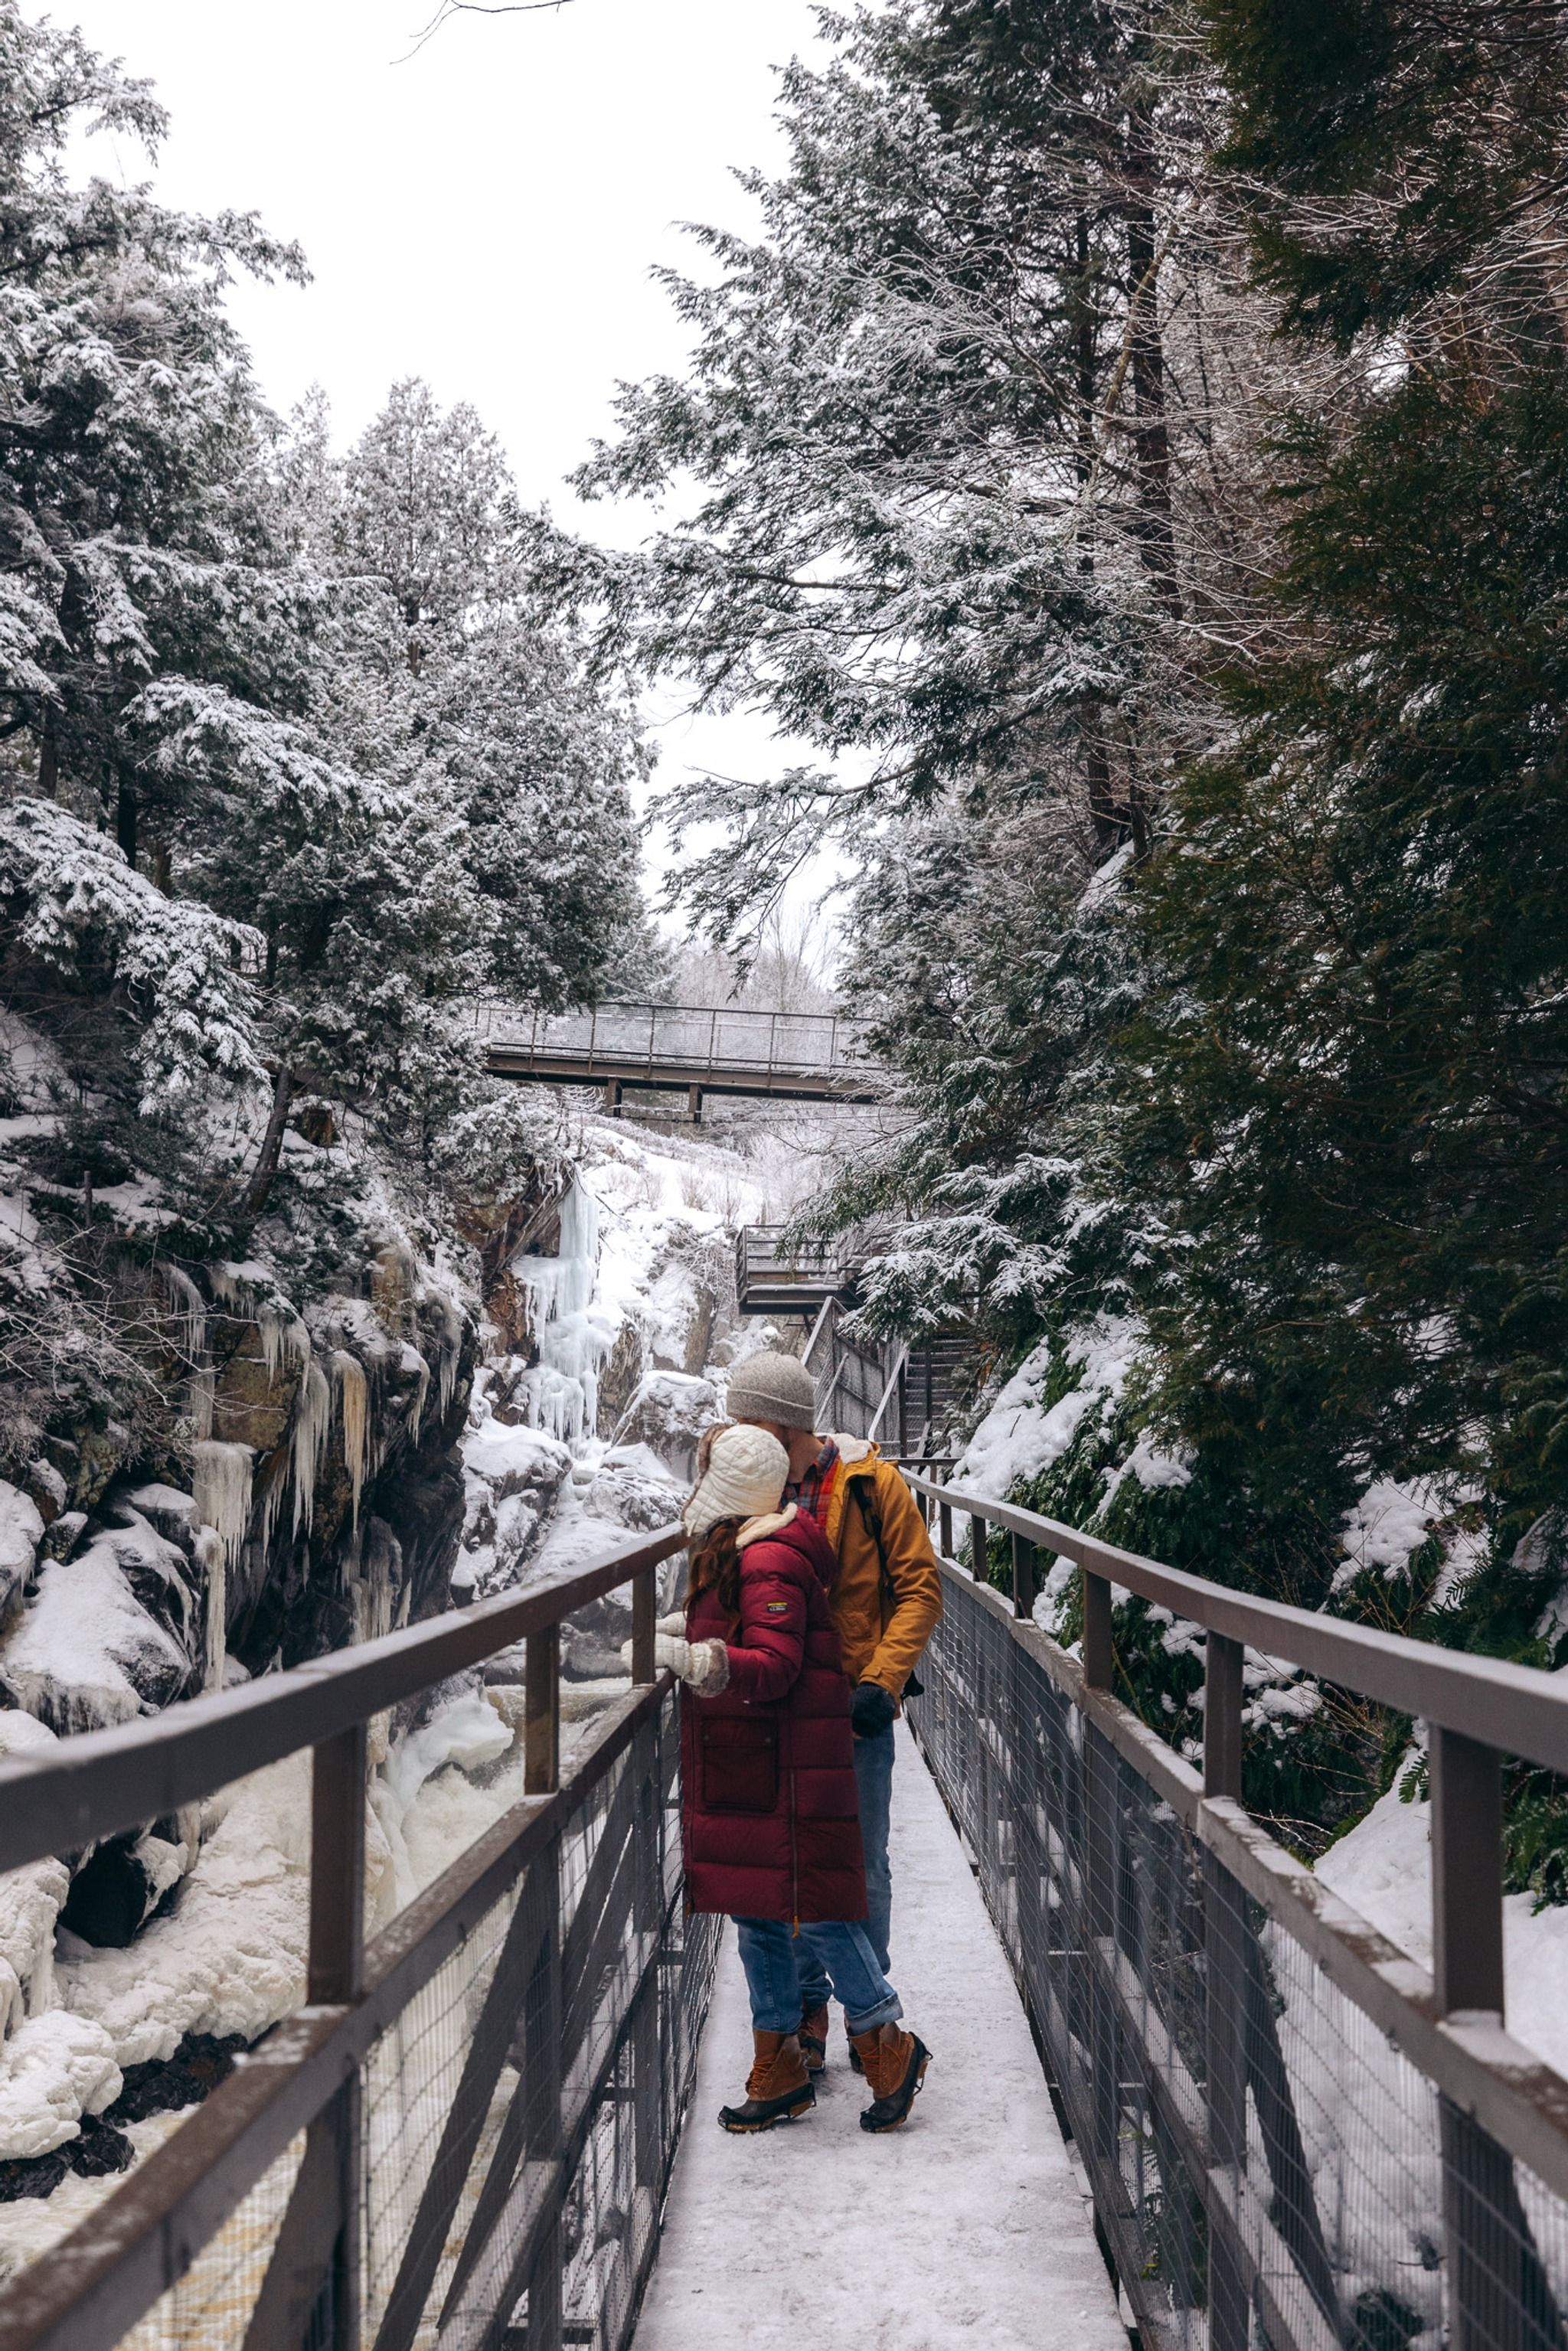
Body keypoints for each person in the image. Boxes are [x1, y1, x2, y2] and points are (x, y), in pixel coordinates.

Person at [640, 1422, 932, 2134]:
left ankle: (887, 2043)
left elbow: (772, 1663)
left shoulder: (768, 1553)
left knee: (817, 1904)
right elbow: (736, 1621)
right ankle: (781, 2064)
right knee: (757, 1908)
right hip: (751, 1752)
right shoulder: (737, 1543)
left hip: (788, 1753)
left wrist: (698, 1661)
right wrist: (681, 1634)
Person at [724, 1349, 942, 2073]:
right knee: (784, 1870)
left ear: (783, 1426)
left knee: (858, 1867)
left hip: (852, 1711)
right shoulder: (751, 1494)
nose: (739, 1446)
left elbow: (920, 1589)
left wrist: (882, 1682)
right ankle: (812, 2005)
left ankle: (865, 2012)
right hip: (772, 1710)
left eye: (749, 1429)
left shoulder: (873, 1485)